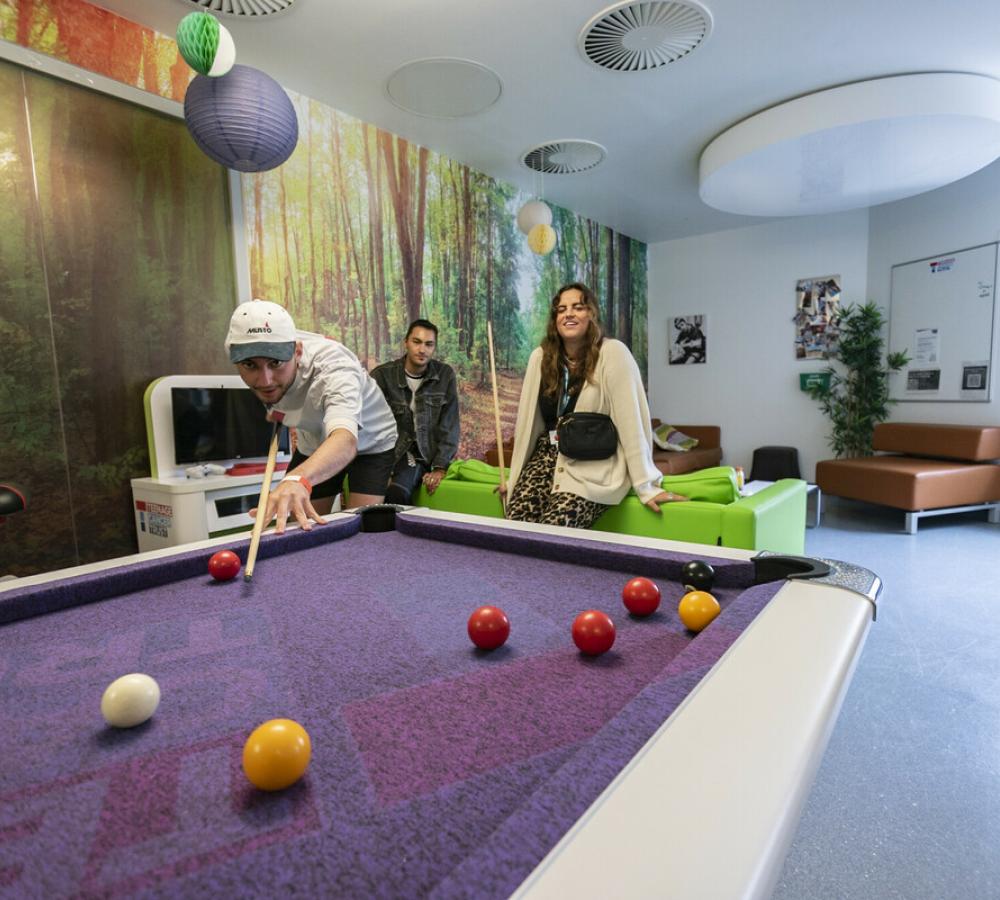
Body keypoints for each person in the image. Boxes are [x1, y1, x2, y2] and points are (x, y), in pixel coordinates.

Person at [502, 283, 686, 528]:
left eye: (578, 307)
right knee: (515, 523)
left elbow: (632, 421)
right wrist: (515, 478)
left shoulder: (613, 353)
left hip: (591, 465)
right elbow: (528, 426)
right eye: (562, 309)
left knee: (554, 530)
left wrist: (646, 485)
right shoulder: (540, 358)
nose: (568, 314)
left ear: (591, 314)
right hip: (545, 457)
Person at [226, 299, 397, 532]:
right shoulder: (261, 357)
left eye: (275, 363)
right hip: (315, 443)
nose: (264, 380)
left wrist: (297, 479)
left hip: (372, 442)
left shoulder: (335, 368)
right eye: (250, 365)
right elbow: (282, 403)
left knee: (363, 529)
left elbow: (346, 440)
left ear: (297, 351)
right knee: (301, 527)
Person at [370, 319, 460, 504]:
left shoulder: (444, 375)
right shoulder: (382, 376)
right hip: (389, 454)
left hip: (424, 456)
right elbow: (372, 426)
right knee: (383, 492)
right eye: (416, 342)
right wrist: (382, 467)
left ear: (434, 347)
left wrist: (440, 467)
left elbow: (449, 427)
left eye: (429, 344)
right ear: (406, 342)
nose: (422, 350)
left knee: (397, 492)